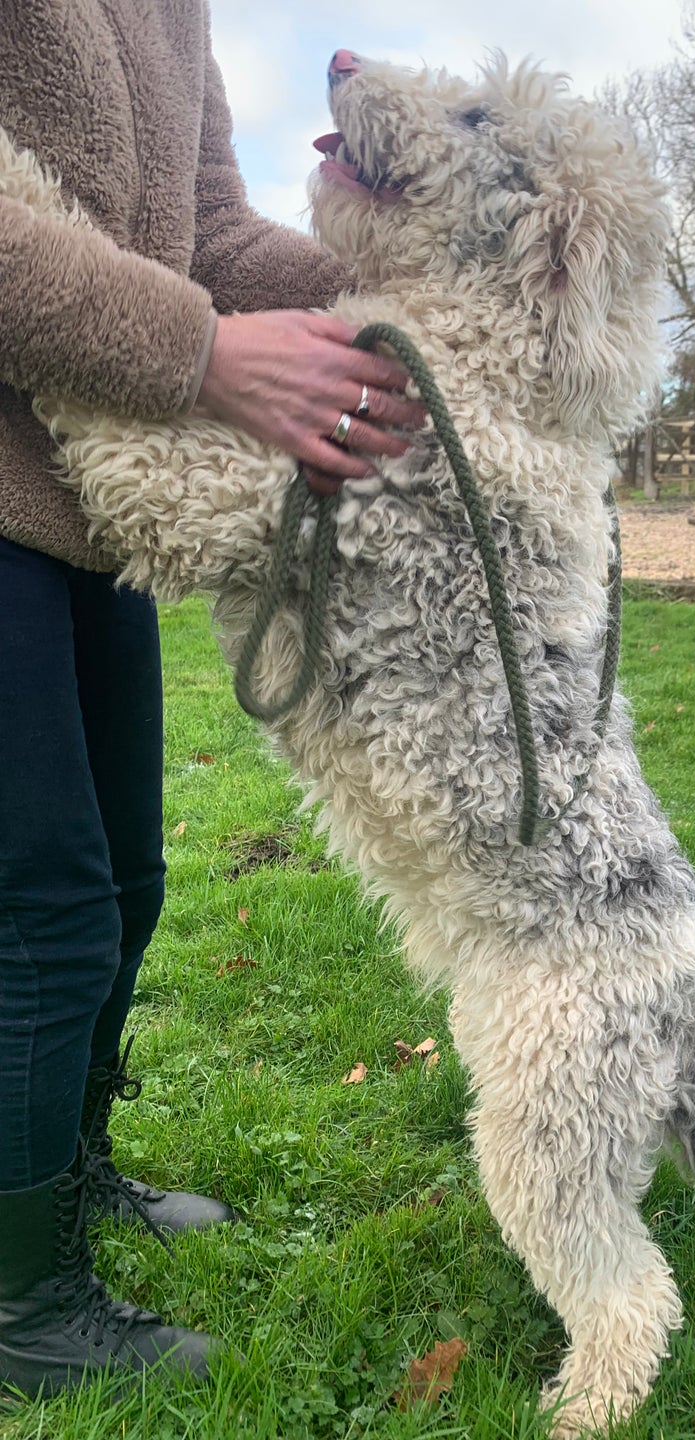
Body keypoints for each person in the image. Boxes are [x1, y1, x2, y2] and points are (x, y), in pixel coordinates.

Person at [0, 1, 424, 1395]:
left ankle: (69, 1176)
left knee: (123, 883)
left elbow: (210, 234)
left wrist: (420, 304)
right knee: (38, 913)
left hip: (82, 501)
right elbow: (191, 303)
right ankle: (23, 1310)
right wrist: (202, 355)